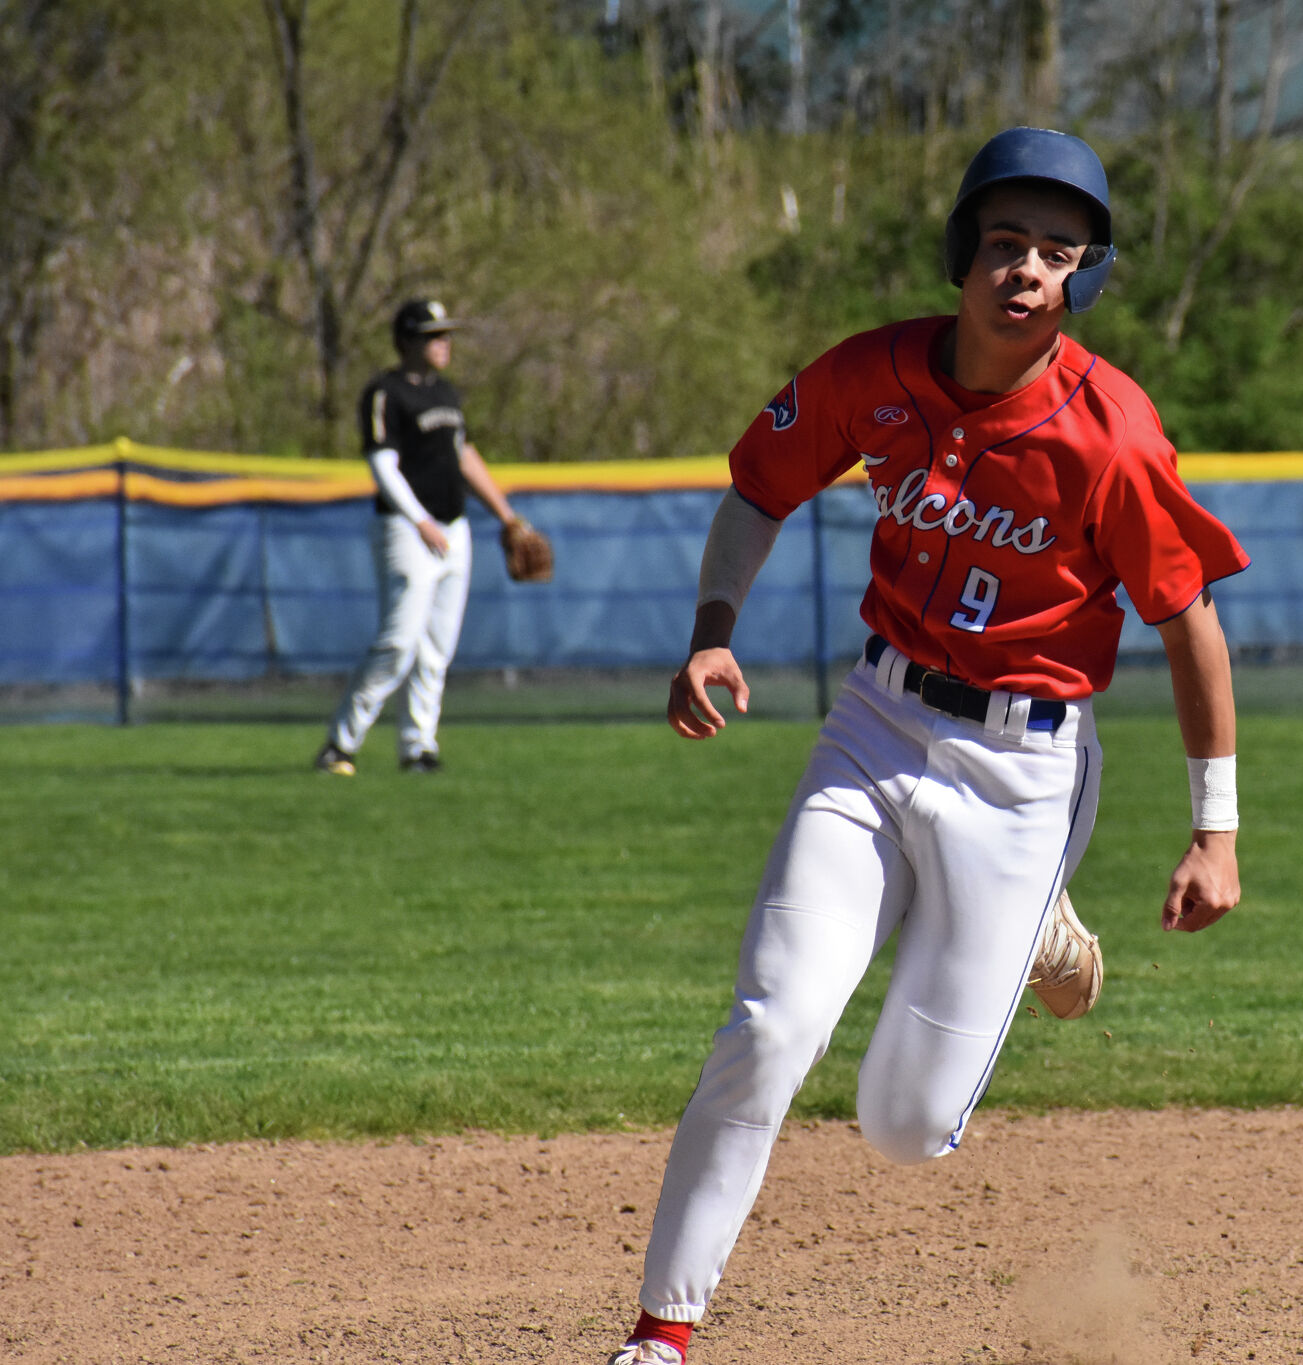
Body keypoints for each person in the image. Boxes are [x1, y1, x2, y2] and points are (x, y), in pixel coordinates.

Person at [606, 127, 1249, 1365]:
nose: (1024, 269)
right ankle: (660, 1335)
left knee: (904, 1126)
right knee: (768, 1028)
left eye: (1055, 254)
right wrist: (710, 631)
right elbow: (758, 489)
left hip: (1021, 773)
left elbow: (1190, 627)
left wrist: (1213, 831)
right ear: (964, 255)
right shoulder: (876, 373)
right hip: (876, 726)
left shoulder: (1108, 434)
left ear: (1079, 282)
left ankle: (1041, 920)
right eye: (1004, 241)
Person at [313, 299, 533, 775]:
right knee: (398, 643)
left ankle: (418, 748)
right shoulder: (385, 392)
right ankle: (340, 744)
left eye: (446, 334)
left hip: (454, 529)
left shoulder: (447, 394)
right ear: (407, 341)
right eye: (434, 335)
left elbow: (464, 455)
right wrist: (419, 521)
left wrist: (507, 516)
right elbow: (381, 464)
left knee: (436, 648)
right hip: (406, 530)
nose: (444, 343)